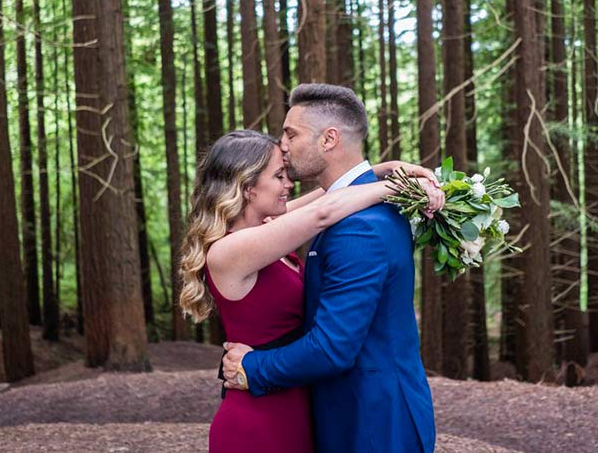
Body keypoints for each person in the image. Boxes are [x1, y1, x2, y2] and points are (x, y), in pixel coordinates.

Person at [178, 125, 442, 453]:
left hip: (294, 403)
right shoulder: (228, 252)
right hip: (258, 418)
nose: (289, 184)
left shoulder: (267, 228)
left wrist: (374, 171)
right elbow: (322, 213)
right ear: (247, 187)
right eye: (279, 177)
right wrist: (392, 188)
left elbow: (328, 197)